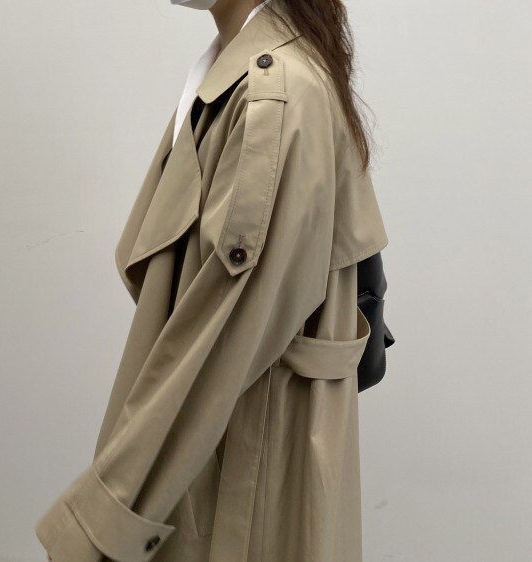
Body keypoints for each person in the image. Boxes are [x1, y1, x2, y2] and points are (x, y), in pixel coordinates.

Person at [37, 0, 390, 560]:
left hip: (243, 470)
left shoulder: (274, 95)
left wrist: (109, 521)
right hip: (230, 453)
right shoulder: (236, 72)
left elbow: (221, 345)